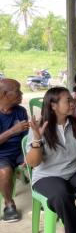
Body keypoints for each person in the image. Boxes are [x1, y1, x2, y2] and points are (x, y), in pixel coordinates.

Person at [26, 87, 76, 233]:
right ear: (53, 105)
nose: (72, 103)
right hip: (47, 176)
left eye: (72, 100)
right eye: (67, 100)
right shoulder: (41, 126)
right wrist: (37, 139)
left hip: (74, 170)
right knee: (61, 195)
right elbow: (33, 163)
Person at [0, 79, 28, 222]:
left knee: (39, 161)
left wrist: (27, 154)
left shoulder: (21, 111)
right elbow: (16, 131)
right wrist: (12, 131)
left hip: (18, 152)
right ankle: (9, 204)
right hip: (1, 156)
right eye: (17, 91)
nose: (21, 93)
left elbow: (26, 137)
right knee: (5, 171)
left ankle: (46, 199)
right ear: (5, 94)